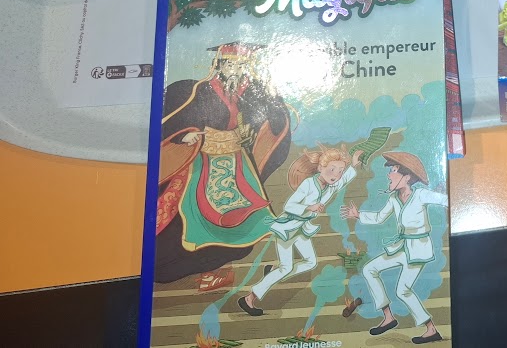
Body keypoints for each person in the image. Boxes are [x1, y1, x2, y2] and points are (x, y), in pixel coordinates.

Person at [155, 42, 292, 291]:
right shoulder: (199, 90)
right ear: (219, 65)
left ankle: (213, 271)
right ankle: (182, 266)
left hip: (236, 164)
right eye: (230, 65)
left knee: (243, 225)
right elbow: (175, 118)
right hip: (202, 162)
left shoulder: (252, 91)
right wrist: (184, 135)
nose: (235, 70)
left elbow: (272, 115)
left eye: (241, 66)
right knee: (186, 218)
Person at [238, 146, 364, 316]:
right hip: (288, 228)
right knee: (286, 268)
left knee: (310, 262)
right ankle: (250, 298)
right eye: (332, 169)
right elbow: (290, 206)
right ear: (320, 167)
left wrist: (353, 165)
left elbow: (344, 180)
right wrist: (309, 207)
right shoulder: (308, 184)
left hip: (302, 228)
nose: (336, 174)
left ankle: (274, 271)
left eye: (340, 171)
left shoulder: (331, 186)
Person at [341, 151, 448, 345]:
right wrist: (358, 215)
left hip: (418, 250)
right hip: (401, 247)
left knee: (403, 290)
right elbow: (379, 217)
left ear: (407, 177)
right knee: (369, 269)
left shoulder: (420, 195)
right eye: (390, 170)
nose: (389, 174)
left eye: (394, 170)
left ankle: (431, 329)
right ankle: (388, 317)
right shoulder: (393, 199)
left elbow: (445, 200)